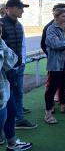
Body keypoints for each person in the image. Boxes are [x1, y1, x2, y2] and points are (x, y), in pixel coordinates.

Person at [0, 0, 37, 129]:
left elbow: (21, 46)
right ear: (9, 8)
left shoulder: (19, 25)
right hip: (5, 70)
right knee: (5, 97)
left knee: (18, 93)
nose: (22, 10)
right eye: (20, 7)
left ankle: (18, 118)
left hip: (18, 66)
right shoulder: (1, 25)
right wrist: (7, 68)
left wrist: (21, 62)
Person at [0, 21, 33, 150]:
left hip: (4, 86)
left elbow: (12, 60)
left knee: (11, 111)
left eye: (1, 29)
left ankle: (12, 144)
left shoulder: (1, 42)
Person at [44, 8, 65, 124]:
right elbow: (54, 44)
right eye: (63, 16)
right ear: (56, 17)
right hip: (56, 64)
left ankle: (63, 105)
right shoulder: (51, 29)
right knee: (52, 88)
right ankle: (48, 112)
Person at [40, 3, 65, 104]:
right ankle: (50, 107)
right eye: (64, 14)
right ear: (56, 13)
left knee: (64, 84)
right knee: (52, 85)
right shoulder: (50, 27)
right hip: (55, 61)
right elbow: (48, 44)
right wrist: (52, 54)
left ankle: (62, 101)